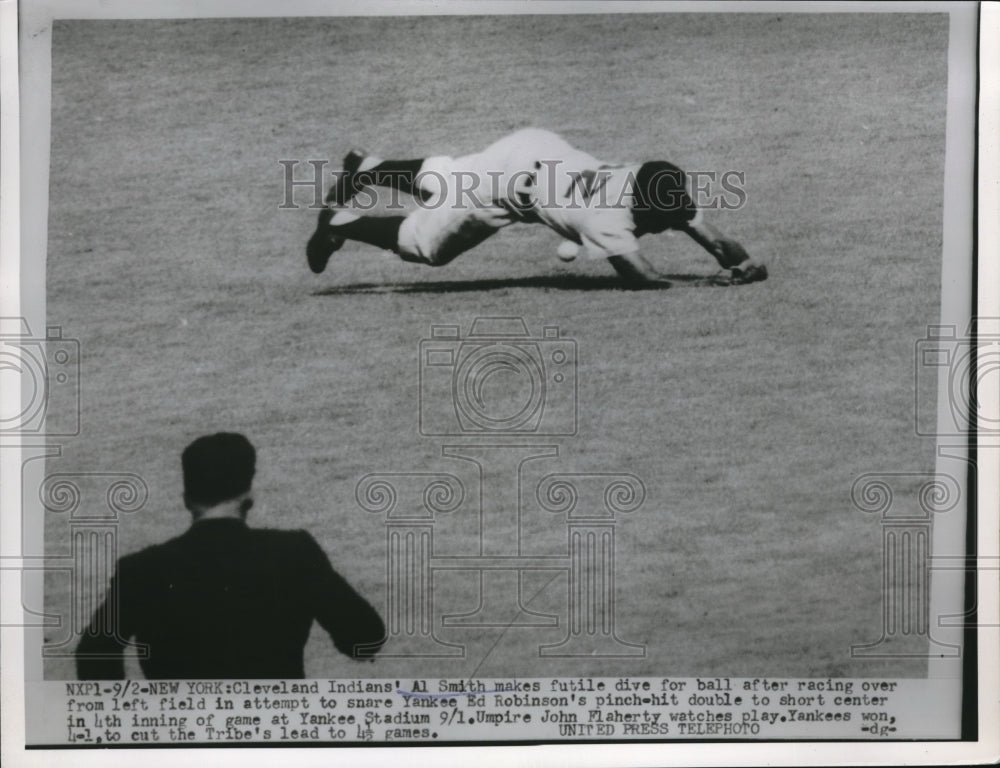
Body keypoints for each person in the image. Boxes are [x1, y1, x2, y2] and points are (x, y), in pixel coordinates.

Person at [75, 432, 385, 679]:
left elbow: (93, 653)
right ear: (249, 496)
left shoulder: (141, 569)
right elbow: (365, 638)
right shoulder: (294, 552)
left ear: (186, 500)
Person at [306, 127, 767, 286]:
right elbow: (644, 279)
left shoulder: (648, 181)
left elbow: (710, 236)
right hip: (507, 185)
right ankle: (341, 222)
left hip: (536, 145)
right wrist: (705, 284)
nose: (677, 218)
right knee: (425, 245)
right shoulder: (605, 219)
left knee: (447, 176)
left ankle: (368, 168)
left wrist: (743, 263)